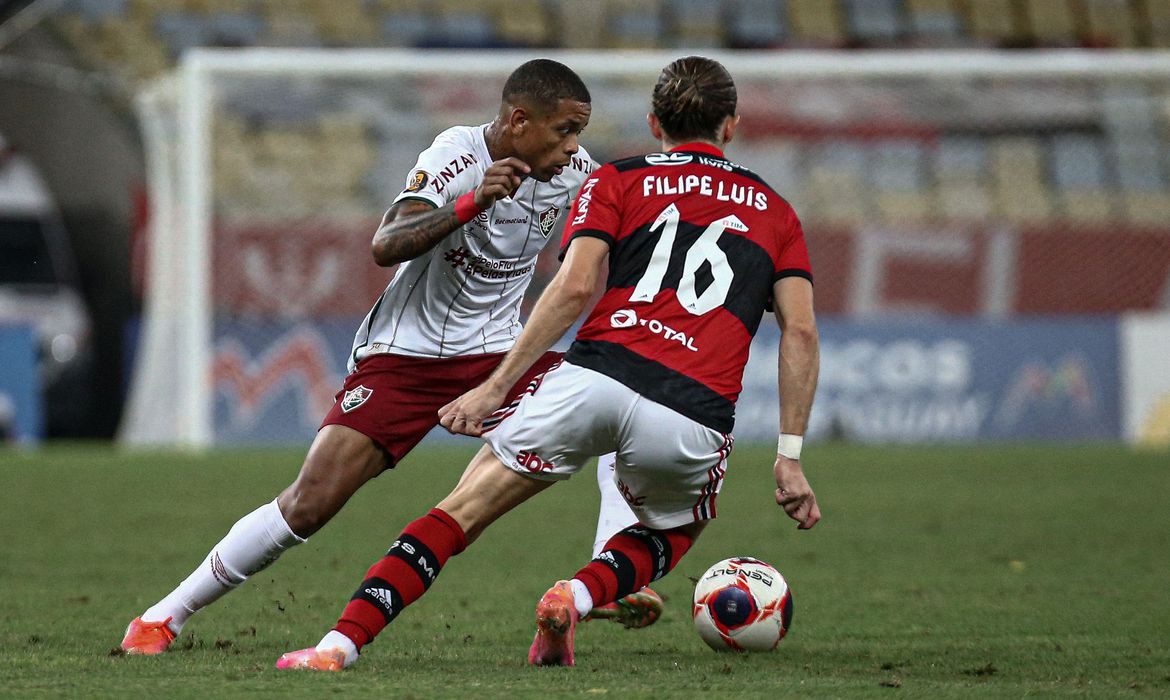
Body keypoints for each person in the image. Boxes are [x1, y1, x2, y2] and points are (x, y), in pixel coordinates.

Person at [274, 55, 821, 672]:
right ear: (730, 127)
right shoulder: (776, 211)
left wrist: (496, 386)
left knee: (458, 514)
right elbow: (799, 332)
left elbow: (572, 288)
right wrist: (790, 456)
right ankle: (579, 593)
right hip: (691, 405)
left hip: (594, 376)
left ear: (652, 122)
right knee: (673, 532)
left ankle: (336, 646)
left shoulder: (617, 178)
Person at [120, 59, 662, 655]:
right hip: (406, 357)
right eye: (564, 130)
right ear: (518, 121)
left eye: (578, 133)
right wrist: (469, 203)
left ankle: (608, 575)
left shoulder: (577, 174)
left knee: (616, 406)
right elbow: (385, 243)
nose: (572, 147)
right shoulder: (456, 153)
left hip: (500, 358)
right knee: (309, 503)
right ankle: (162, 617)